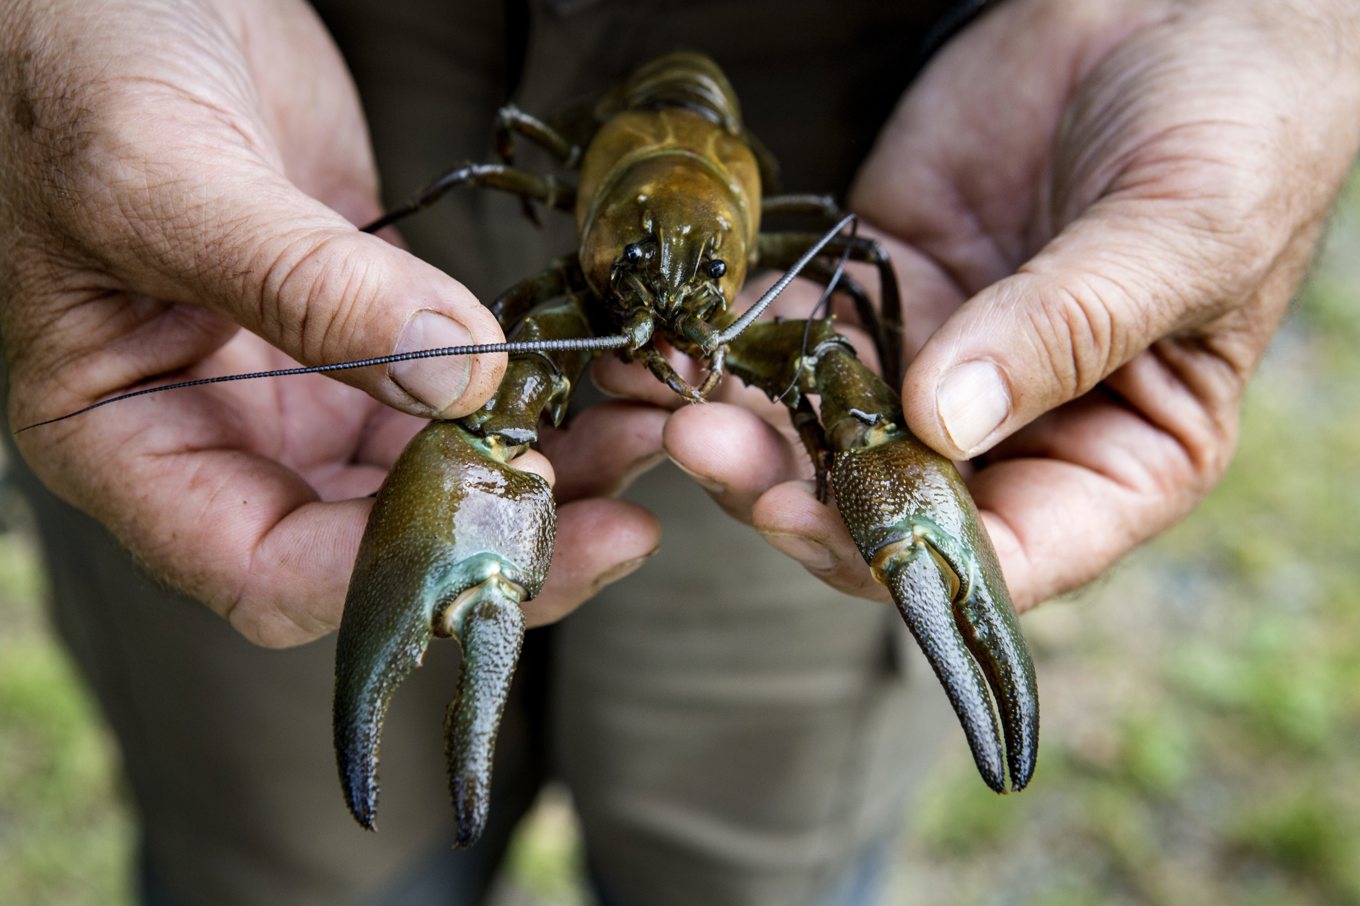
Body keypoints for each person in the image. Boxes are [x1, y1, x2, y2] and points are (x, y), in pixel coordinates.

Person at [1, 0, 1356, 903]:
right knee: (284, 842)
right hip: (293, 107)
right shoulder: (552, 286)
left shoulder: (786, 279)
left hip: (913, 109)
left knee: (751, 851)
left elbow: (842, 335)